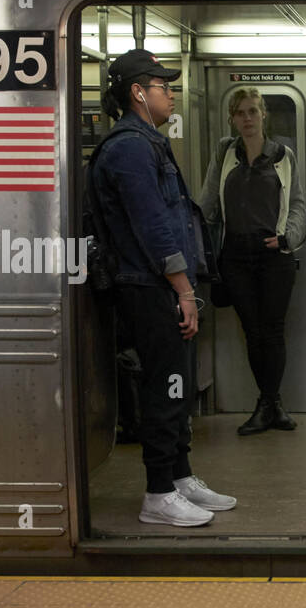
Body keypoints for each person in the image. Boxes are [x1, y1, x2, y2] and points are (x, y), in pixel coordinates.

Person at [91, 49, 236, 527]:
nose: (171, 94)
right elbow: (153, 225)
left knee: (176, 385)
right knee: (162, 386)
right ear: (138, 92)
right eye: (163, 86)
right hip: (148, 285)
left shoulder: (147, 141)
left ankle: (179, 476)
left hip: (162, 284)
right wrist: (183, 289)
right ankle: (157, 491)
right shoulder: (129, 147)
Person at [198, 88, 306, 435]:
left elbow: (298, 204)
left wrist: (288, 237)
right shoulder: (225, 152)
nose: (247, 119)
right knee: (252, 331)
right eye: (240, 113)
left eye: (253, 112)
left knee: (273, 331)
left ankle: (270, 403)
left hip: (274, 254)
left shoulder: (282, 155)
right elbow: (208, 203)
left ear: (264, 116)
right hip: (235, 255)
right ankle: (269, 404)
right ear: (232, 118)